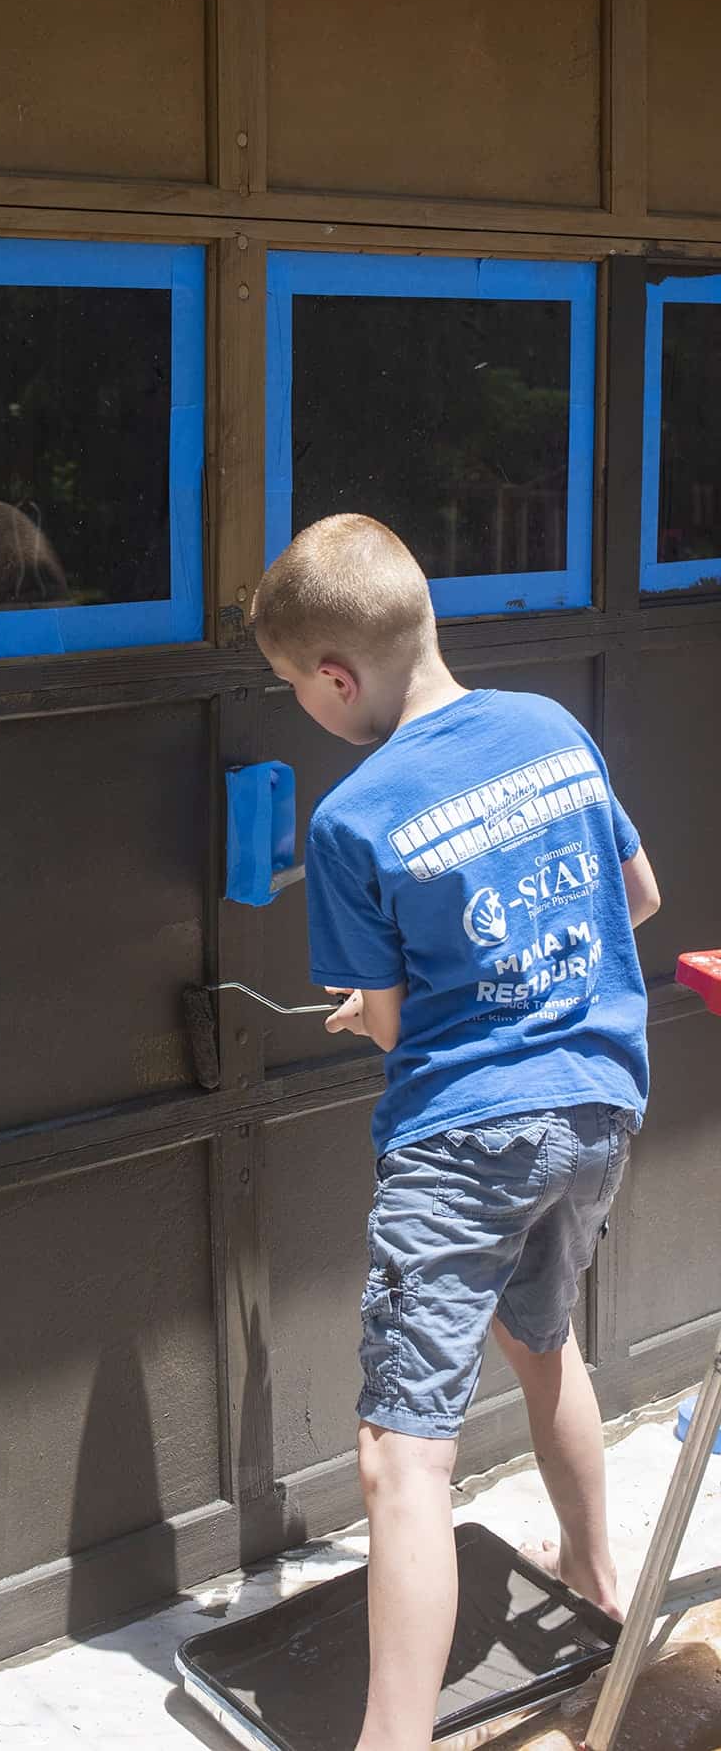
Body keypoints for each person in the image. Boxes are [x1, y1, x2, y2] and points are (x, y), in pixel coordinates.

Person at [251, 515, 661, 1751]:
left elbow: (387, 1027)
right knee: (545, 1342)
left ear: (336, 676)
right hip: (597, 1105)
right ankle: (597, 1588)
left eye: (297, 694)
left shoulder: (352, 818)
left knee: (400, 1457)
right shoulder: (552, 728)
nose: (309, 715)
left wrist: (378, 1010)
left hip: (464, 1139)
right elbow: (635, 899)